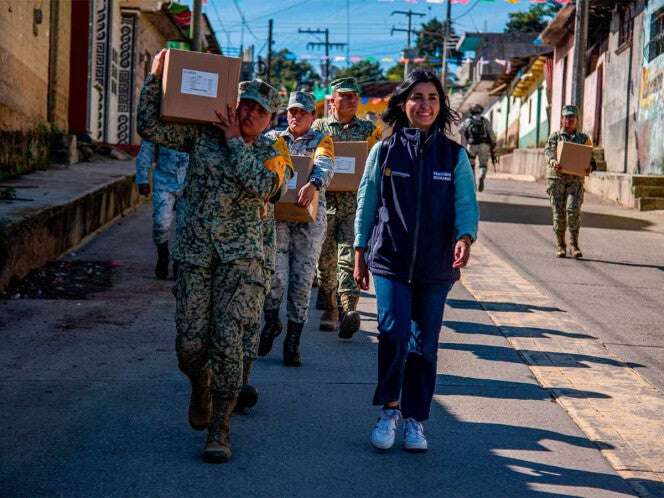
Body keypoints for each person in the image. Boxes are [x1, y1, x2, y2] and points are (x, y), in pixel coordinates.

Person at [137, 49, 291, 464]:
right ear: (231, 103)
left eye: (260, 110)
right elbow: (149, 125)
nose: (250, 113)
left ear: (270, 119)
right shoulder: (199, 135)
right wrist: (155, 78)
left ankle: (221, 428)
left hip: (243, 262)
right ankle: (199, 386)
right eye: (245, 104)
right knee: (189, 345)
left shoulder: (274, 153)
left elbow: (263, 186)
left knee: (229, 344)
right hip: (195, 254)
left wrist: (233, 142)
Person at [354, 70, 479, 453]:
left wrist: (464, 236)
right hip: (389, 259)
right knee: (392, 335)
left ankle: (415, 420)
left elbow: (465, 203)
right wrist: (359, 249)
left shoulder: (454, 155)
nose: (425, 105)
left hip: (435, 264)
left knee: (424, 344)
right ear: (403, 104)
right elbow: (368, 201)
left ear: (440, 107)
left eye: (433, 98)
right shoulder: (384, 151)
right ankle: (390, 410)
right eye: (417, 97)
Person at [258, 91, 335, 366]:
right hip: (277, 218)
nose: (296, 116)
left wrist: (313, 183)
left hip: (308, 219)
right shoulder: (272, 139)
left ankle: (293, 340)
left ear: (313, 116)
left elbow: (326, 165)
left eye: (302, 111)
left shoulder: (321, 140)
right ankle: (271, 322)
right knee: (274, 276)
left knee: (301, 280)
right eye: (292, 111)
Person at [312, 77, 382, 338]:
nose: (353, 100)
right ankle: (329, 306)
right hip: (324, 205)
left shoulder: (368, 130)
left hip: (354, 205)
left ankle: (347, 310)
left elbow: (378, 163)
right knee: (325, 262)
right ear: (333, 99)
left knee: (348, 258)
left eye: (355, 95)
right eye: (346, 95)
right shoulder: (320, 127)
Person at [544, 105, 595, 259]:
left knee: (573, 211)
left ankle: (574, 245)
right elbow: (548, 152)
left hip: (575, 180)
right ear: (562, 119)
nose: (569, 120)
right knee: (558, 215)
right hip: (557, 179)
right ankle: (560, 245)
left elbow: (590, 159)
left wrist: (589, 167)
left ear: (577, 120)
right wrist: (554, 162)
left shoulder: (584, 139)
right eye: (566, 117)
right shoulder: (555, 137)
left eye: (572, 117)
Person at [135, 140, 189, 279]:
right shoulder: (161, 122)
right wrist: (142, 179)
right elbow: (147, 149)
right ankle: (163, 254)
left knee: (185, 227)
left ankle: (179, 263)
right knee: (161, 223)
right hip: (164, 180)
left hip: (190, 183)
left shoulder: (196, 123)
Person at [459, 104, 496, 192]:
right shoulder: (485, 121)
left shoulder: (468, 121)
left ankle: (473, 184)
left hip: (471, 145)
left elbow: (460, 130)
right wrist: (493, 143)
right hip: (484, 145)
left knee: (471, 165)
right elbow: (491, 134)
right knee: (483, 164)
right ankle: (481, 176)